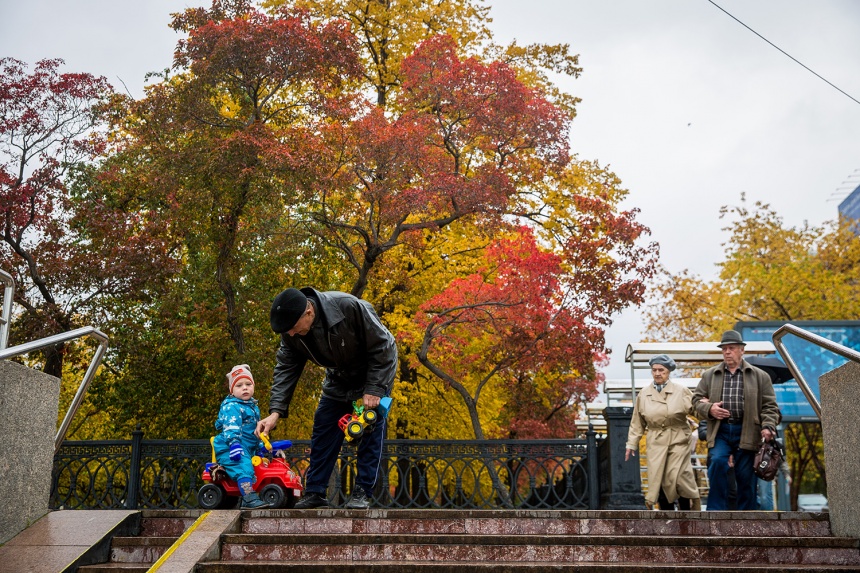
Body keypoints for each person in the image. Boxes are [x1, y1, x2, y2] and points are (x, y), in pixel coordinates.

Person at [257, 287, 397, 510]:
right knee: (324, 427)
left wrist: (375, 388)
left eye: (293, 328)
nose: (291, 334)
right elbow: (286, 367)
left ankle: (362, 492)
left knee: (370, 426)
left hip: (374, 371)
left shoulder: (348, 307)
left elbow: (385, 346)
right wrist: (275, 412)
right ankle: (315, 492)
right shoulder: (291, 332)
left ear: (309, 312)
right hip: (338, 378)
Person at [693, 330, 780, 511]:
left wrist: (768, 426)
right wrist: (710, 409)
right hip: (721, 430)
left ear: (742, 350)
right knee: (717, 462)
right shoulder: (710, 375)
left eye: (731, 348)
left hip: (747, 430)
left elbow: (770, 406)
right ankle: (715, 512)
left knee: (746, 475)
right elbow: (694, 403)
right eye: (724, 349)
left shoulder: (760, 376)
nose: (727, 352)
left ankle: (746, 515)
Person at [625, 354, 701, 510]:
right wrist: (631, 444)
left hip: (678, 437)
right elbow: (637, 421)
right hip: (656, 440)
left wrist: (706, 406)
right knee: (657, 478)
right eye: (654, 370)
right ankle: (666, 517)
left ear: (668, 372)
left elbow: (697, 410)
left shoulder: (681, 391)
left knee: (678, 476)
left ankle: (688, 514)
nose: (657, 373)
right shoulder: (644, 394)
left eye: (661, 370)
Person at [213, 364, 270, 509]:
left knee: (260, 465)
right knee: (243, 466)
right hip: (230, 447)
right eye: (239, 385)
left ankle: (252, 493)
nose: (245, 388)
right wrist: (234, 444)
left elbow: (254, 432)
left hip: (246, 445)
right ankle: (249, 498)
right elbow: (232, 428)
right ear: (232, 391)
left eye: (248, 384)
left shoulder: (252, 407)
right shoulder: (232, 406)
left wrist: (260, 447)